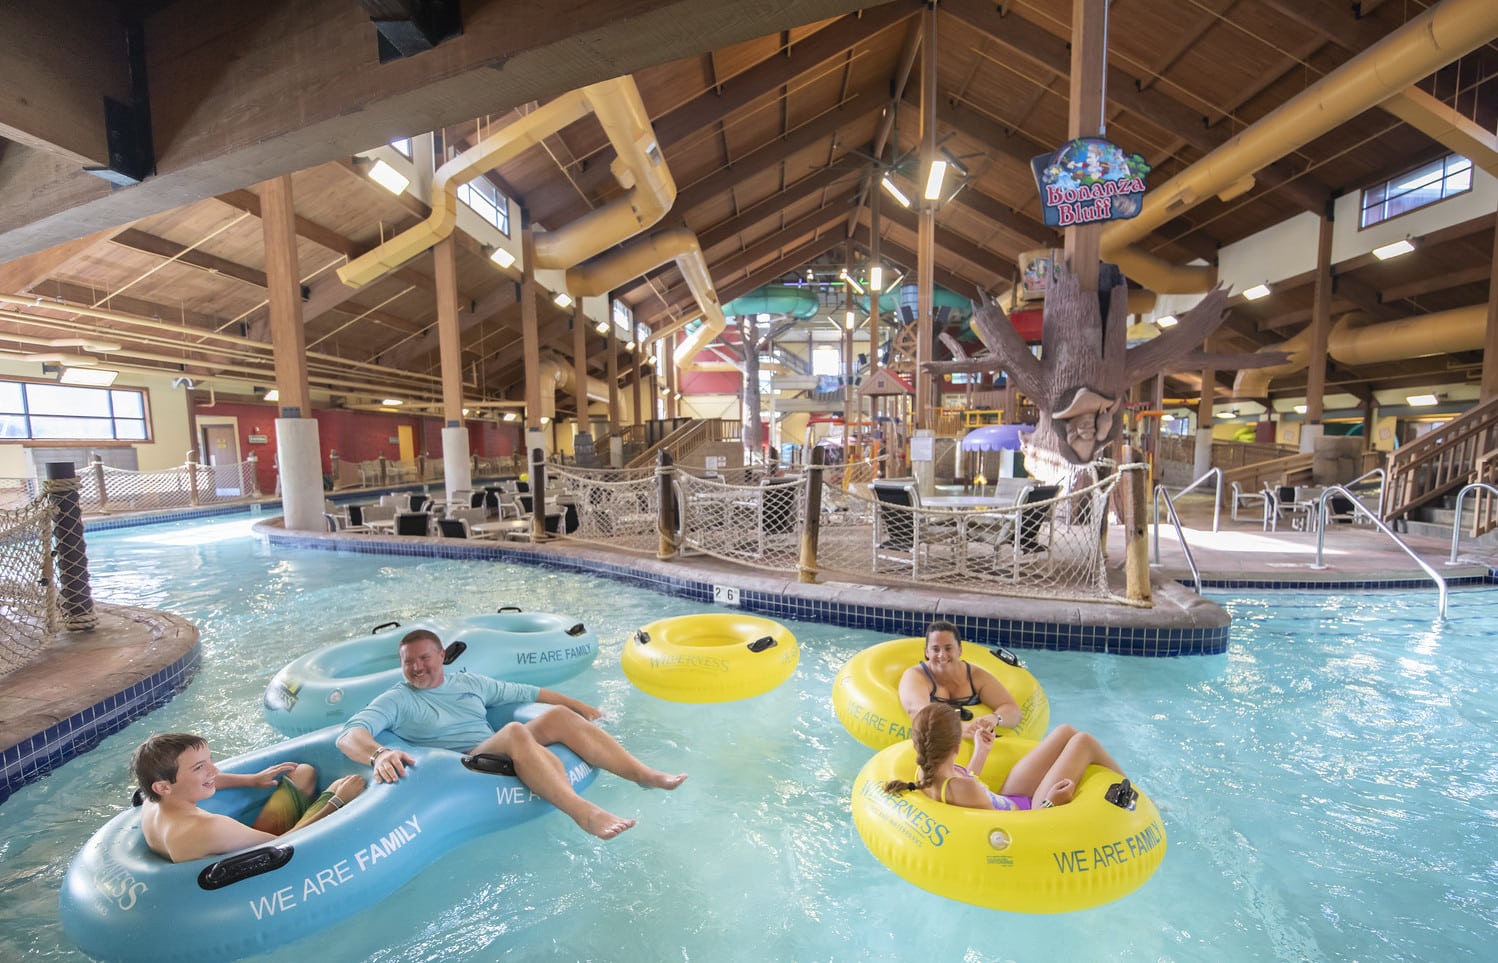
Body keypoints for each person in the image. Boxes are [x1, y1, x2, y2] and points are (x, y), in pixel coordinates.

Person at [336, 628, 687, 840]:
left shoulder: (469, 682)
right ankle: (584, 813)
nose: (416, 667)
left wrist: (585, 708)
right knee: (516, 731)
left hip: (494, 746)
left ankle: (643, 774)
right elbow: (349, 734)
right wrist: (379, 753)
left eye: (424, 658)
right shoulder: (398, 698)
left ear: (441, 655)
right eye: (408, 662)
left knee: (558, 715)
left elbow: (530, 692)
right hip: (461, 765)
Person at [132, 732, 365, 863]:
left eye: (210, 761)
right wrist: (336, 802)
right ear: (162, 787)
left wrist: (252, 780)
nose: (214, 770)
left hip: (239, 843)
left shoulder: (152, 804)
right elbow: (284, 845)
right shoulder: (208, 827)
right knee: (341, 786)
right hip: (265, 862)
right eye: (199, 767)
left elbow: (195, 783)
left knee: (304, 773)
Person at [884, 703, 1127, 811]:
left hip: (1007, 800)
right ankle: (1133, 792)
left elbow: (966, 786)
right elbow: (1014, 832)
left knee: (1065, 732)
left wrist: (981, 752)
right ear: (956, 746)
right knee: (1083, 742)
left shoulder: (927, 770)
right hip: (1031, 813)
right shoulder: (966, 789)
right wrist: (1051, 802)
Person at [898, 620, 1023, 738]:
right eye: (935, 649)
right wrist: (957, 728)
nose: (942, 655)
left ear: (959, 650)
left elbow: (1013, 711)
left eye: (948, 648)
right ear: (926, 652)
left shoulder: (975, 676)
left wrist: (994, 718)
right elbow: (918, 711)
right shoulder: (916, 676)